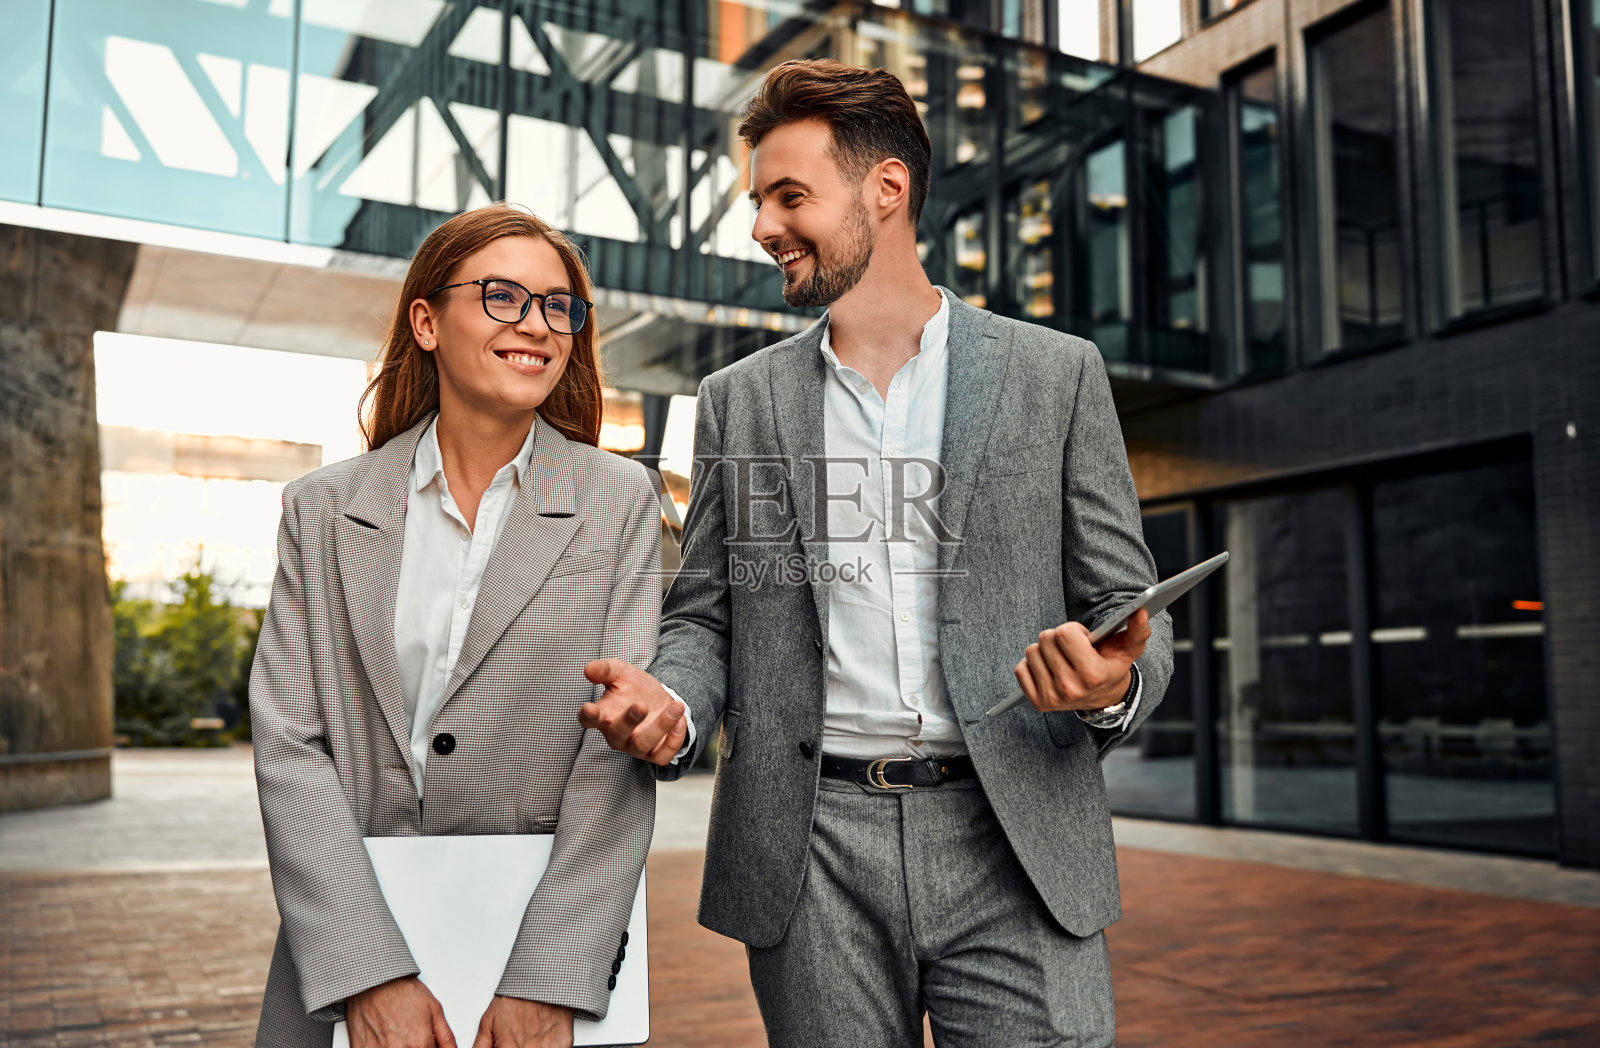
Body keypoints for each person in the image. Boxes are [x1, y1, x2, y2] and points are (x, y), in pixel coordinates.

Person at [580, 60, 1173, 1047]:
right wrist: (672, 702)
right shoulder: (739, 401)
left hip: (1016, 835)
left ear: (885, 188)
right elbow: (707, 614)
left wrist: (1110, 685)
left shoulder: (1056, 374)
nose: (763, 226)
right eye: (758, 202)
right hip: (812, 850)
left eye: (789, 196)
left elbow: (1132, 609)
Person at [251, 203, 660, 1048]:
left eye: (559, 306)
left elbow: (611, 765)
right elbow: (289, 742)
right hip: (348, 954)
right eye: (502, 296)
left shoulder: (617, 501)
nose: (537, 325)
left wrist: (547, 977)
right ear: (427, 322)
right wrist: (366, 973)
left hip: (535, 958)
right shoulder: (322, 508)